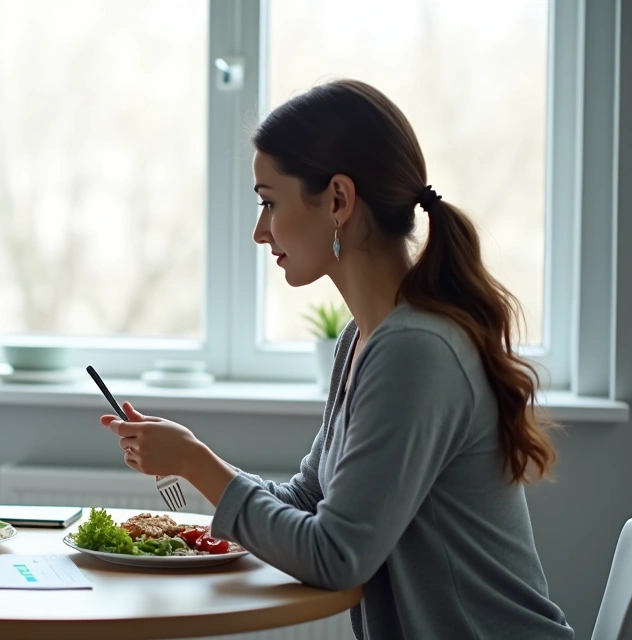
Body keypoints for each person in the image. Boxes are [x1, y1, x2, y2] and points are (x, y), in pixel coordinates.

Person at [101, 79, 573, 639]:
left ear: (339, 201)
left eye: (269, 202)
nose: (259, 231)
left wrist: (200, 464)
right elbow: (308, 500)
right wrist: (187, 458)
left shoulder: (415, 351)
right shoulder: (364, 339)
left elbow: (336, 556)